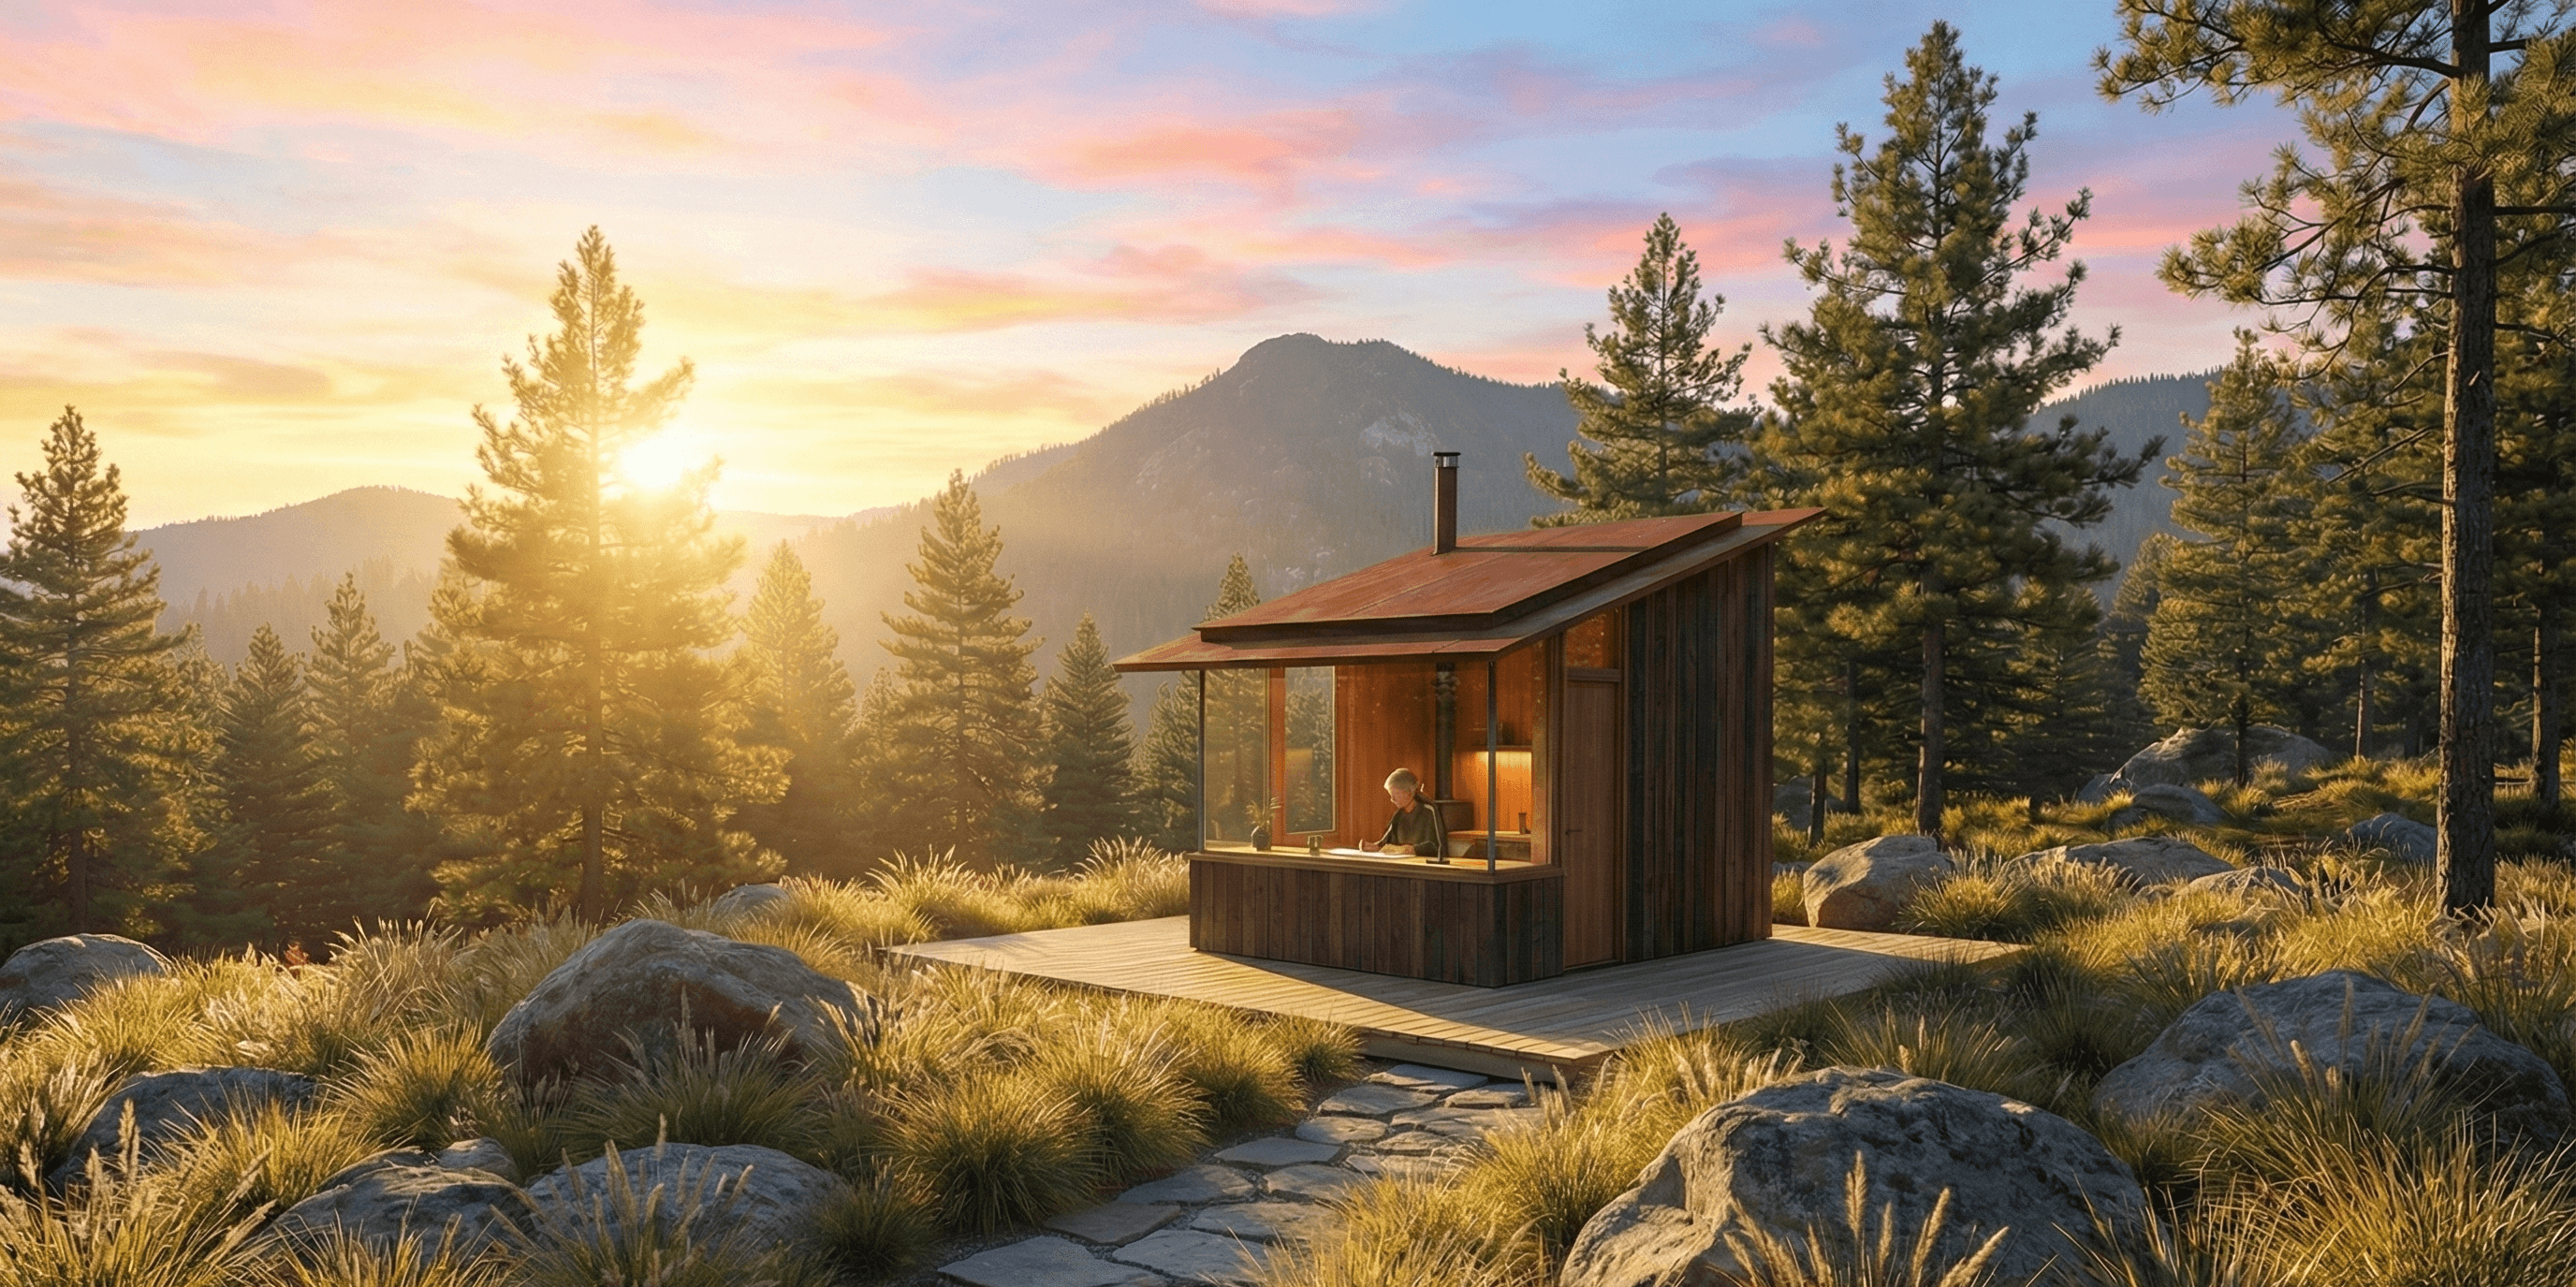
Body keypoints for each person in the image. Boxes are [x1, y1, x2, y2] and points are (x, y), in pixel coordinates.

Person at [1376, 768, 1447, 858]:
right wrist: (1373, 847)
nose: (1392, 799)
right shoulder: (1398, 815)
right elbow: (1387, 842)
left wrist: (1410, 849)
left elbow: (1438, 847)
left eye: (1395, 794)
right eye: (1391, 795)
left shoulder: (1429, 811)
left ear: (1409, 792)